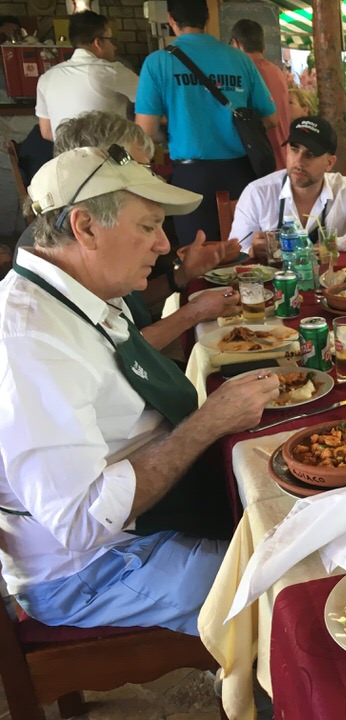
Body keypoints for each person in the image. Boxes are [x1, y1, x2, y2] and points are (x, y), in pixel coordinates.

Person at [0, 146, 281, 634]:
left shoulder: (82, 293)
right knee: (291, 596)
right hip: (92, 569)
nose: (160, 245)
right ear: (85, 227)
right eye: (148, 226)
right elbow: (81, 522)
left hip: (148, 519)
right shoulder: (30, 341)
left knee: (295, 505)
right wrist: (209, 421)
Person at [16, 111, 241, 350]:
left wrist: (182, 275)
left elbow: (127, 310)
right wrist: (192, 313)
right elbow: (121, 352)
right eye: (139, 167)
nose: (150, 176)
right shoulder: (55, 255)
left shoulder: (95, 252)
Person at [136, 0, 278, 245]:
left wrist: (175, 127)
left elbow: (145, 132)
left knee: (199, 257)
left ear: (171, 19)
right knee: (246, 253)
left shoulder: (157, 63)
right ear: (207, 19)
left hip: (192, 178)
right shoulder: (239, 59)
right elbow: (270, 118)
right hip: (242, 173)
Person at [230, 116, 346, 256]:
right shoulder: (258, 192)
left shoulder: (345, 189)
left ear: (329, 163)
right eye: (294, 150)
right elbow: (235, 252)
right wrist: (252, 250)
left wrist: (331, 244)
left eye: (310, 154)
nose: (298, 162)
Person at [35, 10, 139, 141]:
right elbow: (152, 102)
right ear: (98, 42)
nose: (114, 47)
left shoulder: (46, 78)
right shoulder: (110, 71)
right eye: (111, 40)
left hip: (65, 158)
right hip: (109, 158)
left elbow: (47, 132)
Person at [229, 18, 290, 172]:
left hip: (261, 163)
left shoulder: (242, 74)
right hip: (283, 158)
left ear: (235, 43)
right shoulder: (277, 71)